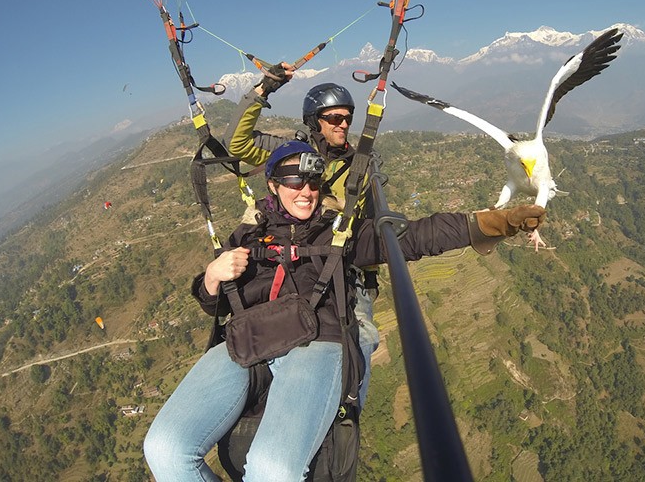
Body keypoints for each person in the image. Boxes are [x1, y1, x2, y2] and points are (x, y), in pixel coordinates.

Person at [144, 140, 545, 481]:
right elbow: (213, 301)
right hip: (249, 341)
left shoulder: (340, 232)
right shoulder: (246, 236)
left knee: (272, 471)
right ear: (272, 185)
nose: (306, 191)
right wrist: (211, 277)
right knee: (164, 448)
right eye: (294, 181)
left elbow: (414, 237)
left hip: (317, 342)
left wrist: (493, 223)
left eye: (314, 181)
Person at [227, 64, 380, 405]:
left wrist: (370, 275)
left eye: (347, 118)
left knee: (364, 336)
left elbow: (368, 219)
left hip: (339, 263)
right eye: (333, 118)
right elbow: (236, 143)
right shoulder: (289, 153)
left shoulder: (360, 166)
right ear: (315, 121)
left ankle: (346, 407)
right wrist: (265, 88)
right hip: (289, 262)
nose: (343, 124)